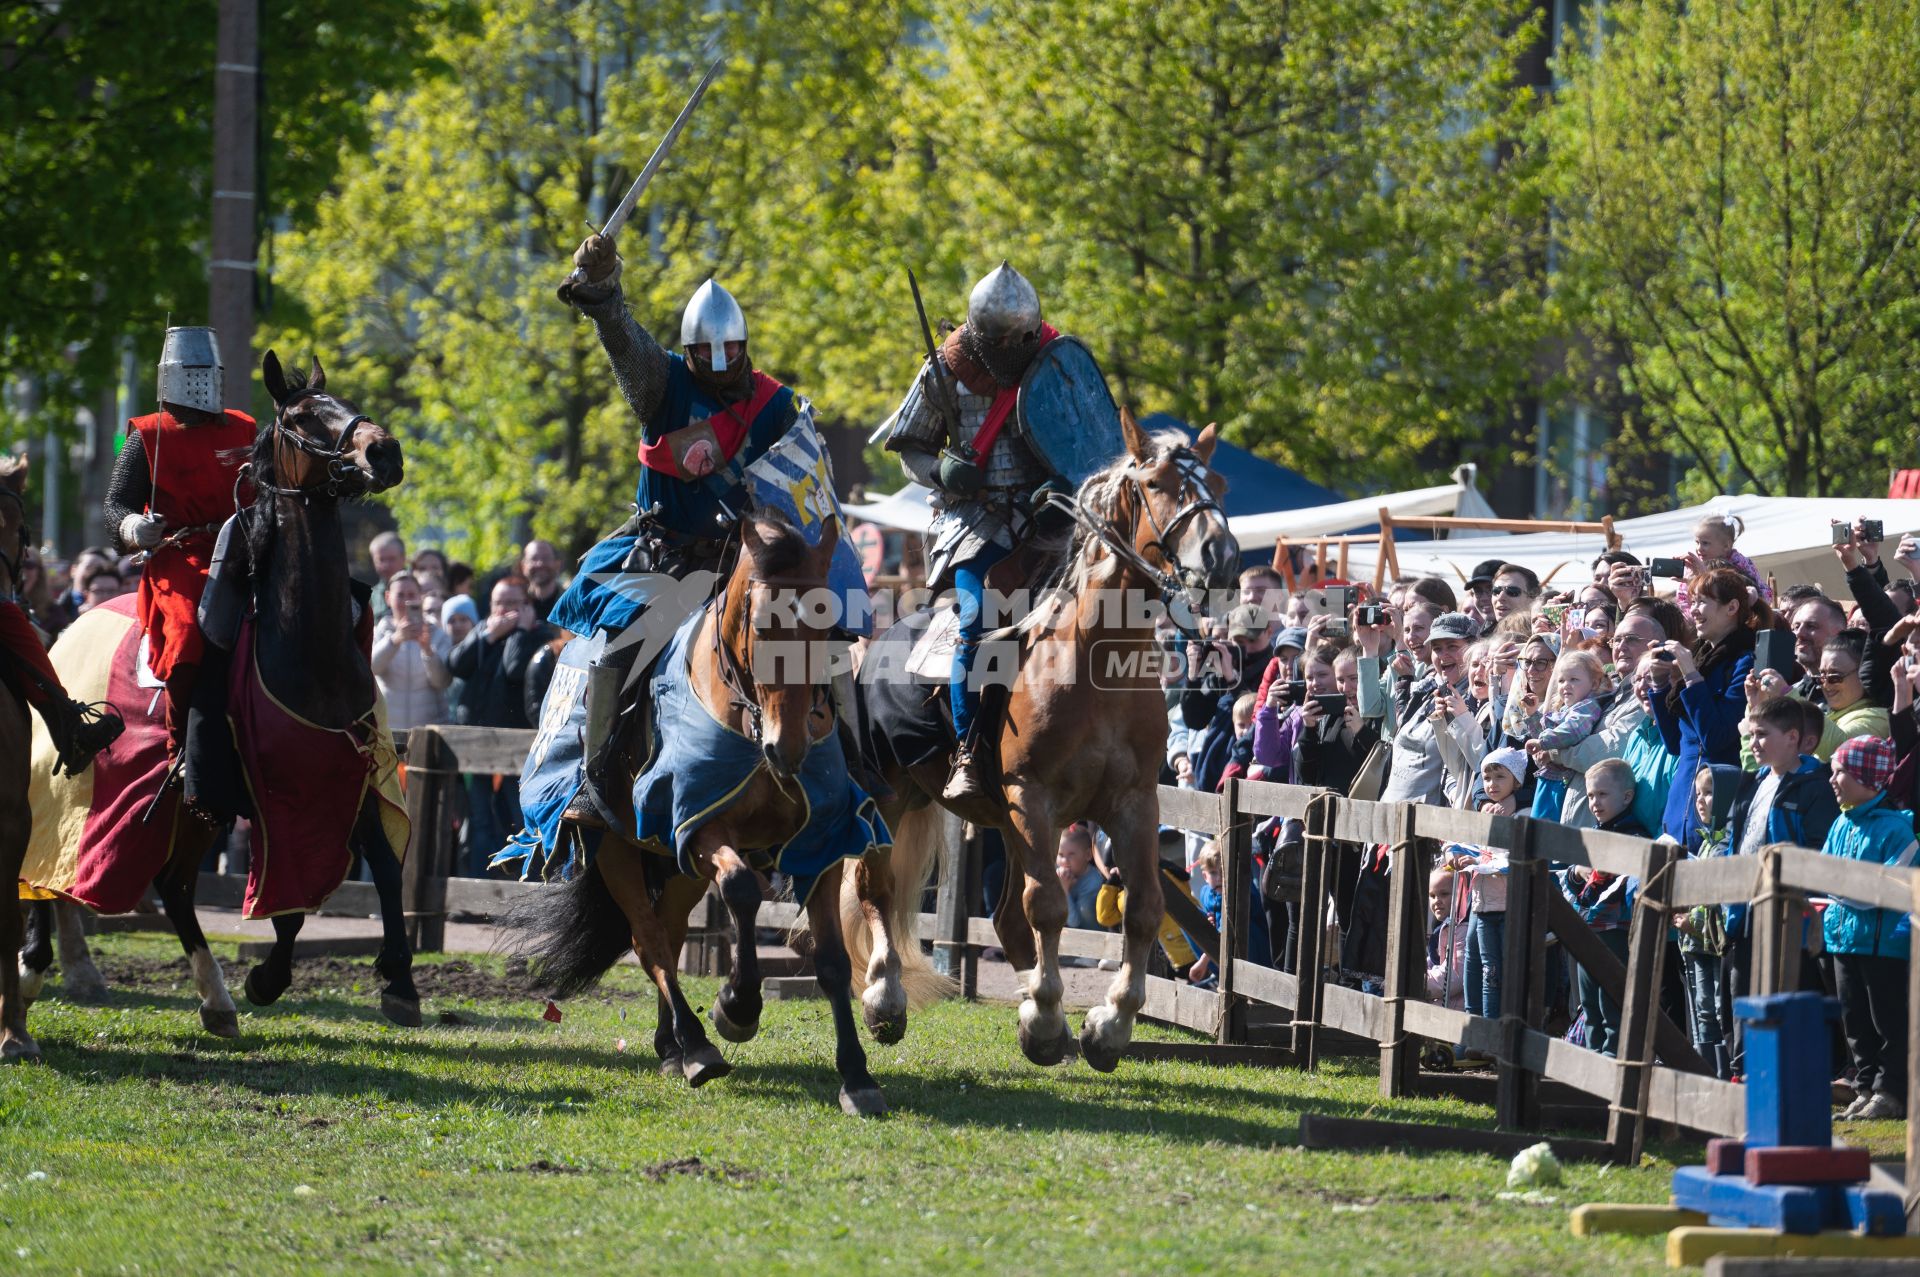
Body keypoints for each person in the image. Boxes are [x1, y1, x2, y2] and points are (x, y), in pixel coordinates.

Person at [548, 232, 805, 825]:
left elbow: (802, 482)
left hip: (743, 563)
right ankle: (598, 776)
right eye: (707, 353)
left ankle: (851, 768)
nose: (719, 364)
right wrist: (603, 292)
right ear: (690, 350)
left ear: (745, 344)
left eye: (731, 350)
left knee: (818, 639)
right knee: (620, 648)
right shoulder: (663, 385)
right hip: (664, 561)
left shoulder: (775, 406)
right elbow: (622, 337)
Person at [884, 261, 1087, 802]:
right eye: (997, 341)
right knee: (979, 621)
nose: (1006, 350)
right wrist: (943, 471)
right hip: (974, 522)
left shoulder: (1056, 366)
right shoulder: (945, 370)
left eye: (1015, 340)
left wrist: (1060, 492)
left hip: (1051, 520)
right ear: (979, 335)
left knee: (1108, 608)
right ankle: (971, 752)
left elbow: (1087, 447)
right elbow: (909, 447)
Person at [104, 326, 255, 764]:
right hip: (180, 556)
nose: (199, 379)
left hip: (244, 550)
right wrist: (135, 527)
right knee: (187, 635)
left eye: (206, 370)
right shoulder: (149, 434)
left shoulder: (244, 427)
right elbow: (116, 504)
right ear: (169, 376)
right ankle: (185, 744)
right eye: (191, 371)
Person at [1721, 696, 1838, 1073]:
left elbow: (1821, 849)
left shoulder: (1814, 787)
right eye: (1751, 734)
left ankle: (1790, 1073)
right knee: (1741, 992)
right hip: (1744, 907)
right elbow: (1736, 838)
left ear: (1792, 737)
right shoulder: (1753, 781)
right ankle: (1742, 1072)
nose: (1753, 743)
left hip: (1791, 913)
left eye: (1761, 735)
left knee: (1787, 990)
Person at [1820, 736, 1914, 1121]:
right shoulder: (1840, 823)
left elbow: (1889, 886)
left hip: (1882, 945)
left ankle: (1891, 1092)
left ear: (1868, 778)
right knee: (1854, 1018)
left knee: (1887, 1020)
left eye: (1840, 772)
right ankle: (1865, 1086)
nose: (1833, 780)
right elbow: (1822, 872)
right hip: (1843, 939)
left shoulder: (1896, 830)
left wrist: (1841, 889)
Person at [1650, 567, 1765, 843]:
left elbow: (1716, 738)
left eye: (1702, 602)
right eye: (1692, 603)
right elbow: (1675, 744)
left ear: (1732, 607)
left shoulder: (1747, 662)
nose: (1694, 611)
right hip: (1681, 803)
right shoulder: (1702, 658)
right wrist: (1659, 684)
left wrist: (1690, 674)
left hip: (1719, 802)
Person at [448, 576, 555, 871]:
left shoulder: (539, 634)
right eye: (498, 603)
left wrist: (518, 632)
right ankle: (475, 891)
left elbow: (515, 669)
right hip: (476, 745)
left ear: (527, 606)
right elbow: (456, 664)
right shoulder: (484, 630)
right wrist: (487, 637)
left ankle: (523, 887)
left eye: (513, 603)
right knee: (479, 819)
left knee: (518, 819)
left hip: (517, 749)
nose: (504, 610)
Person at [1565, 759, 1646, 1055]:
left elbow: (1629, 884)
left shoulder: (1634, 835)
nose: (1594, 802)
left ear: (1626, 796)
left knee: (1611, 997)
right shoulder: (1593, 834)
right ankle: (1592, 1055)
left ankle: (1612, 1058)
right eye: (1589, 796)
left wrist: (1603, 871)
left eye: (1602, 795)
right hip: (1588, 929)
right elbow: (1576, 887)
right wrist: (1577, 872)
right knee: (1588, 1001)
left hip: (1615, 930)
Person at [1678, 766, 1738, 1078]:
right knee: (1701, 1006)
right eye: (1698, 794)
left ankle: (1724, 1071)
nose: (1700, 800)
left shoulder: (1728, 843)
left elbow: (1718, 896)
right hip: (1695, 942)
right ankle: (1705, 1071)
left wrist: (1694, 922)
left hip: (1715, 942)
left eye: (1709, 793)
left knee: (1718, 1005)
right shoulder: (1705, 841)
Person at [1523, 649, 1610, 822]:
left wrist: (1542, 742)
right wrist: (1533, 715)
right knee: (1537, 830)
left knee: (1547, 832)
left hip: (1563, 780)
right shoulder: (1565, 709)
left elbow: (1574, 731)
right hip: (1550, 777)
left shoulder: (1587, 706)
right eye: (1561, 681)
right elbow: (1544, 736)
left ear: (1594, 683)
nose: (1565, 685)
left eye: (1574, 680)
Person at [370, 570, 452, 733]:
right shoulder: (378, 632)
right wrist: (395, 640)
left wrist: (427, 650)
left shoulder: (437, 634)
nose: (406, 600)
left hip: (428, 731)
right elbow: (371, 668)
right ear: (388, 598)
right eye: (400, 595)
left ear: (421, 597)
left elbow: (442, 682)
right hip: (387, 731)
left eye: (411, 594)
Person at [1056, 823, 1105, 937]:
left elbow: (1075, 923)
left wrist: (1064, 890)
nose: (1064, 861)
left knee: (1085, 908)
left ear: (1088, 855)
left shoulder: (1093, 883)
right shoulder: (1059, 873)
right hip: (1066, 941)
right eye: (1060, 854)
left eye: (1071, 854)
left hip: (1091, 941)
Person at [518, 538, 564, 622]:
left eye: (546, 558)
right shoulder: (515, 604)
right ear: (523, 567)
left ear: (557, 565)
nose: (540, 564)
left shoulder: (571, 602)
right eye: (533, 559)